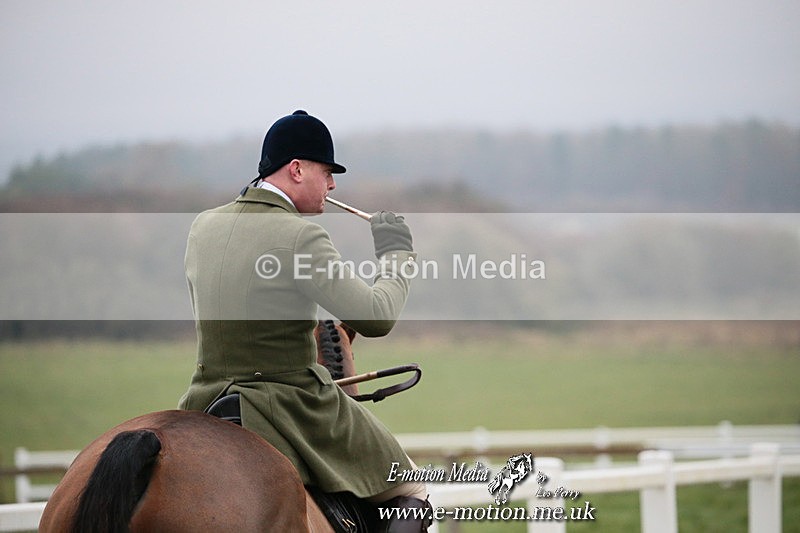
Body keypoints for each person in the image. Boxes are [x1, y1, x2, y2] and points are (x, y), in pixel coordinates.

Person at [178, 110, 431, 531]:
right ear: (296, 169)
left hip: (204, 402)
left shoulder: (203, 227)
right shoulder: (301, 235)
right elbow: (376, 317)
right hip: (289, 406)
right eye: (327, 172)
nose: (332, 185)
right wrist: (395, 255)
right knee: (410, 491)